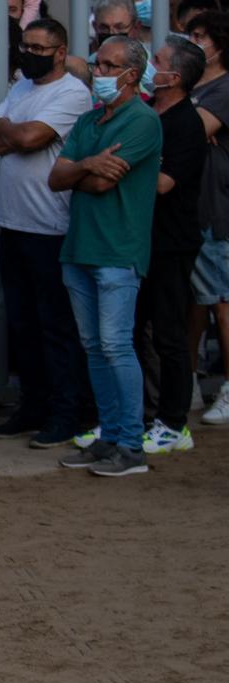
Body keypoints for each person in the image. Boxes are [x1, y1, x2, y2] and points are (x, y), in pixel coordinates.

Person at [48, 36, 163, 477]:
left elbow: (97, 183)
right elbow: (58, 178)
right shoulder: (89, 120)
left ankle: (131, 445)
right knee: (97, 347)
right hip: (80, 247)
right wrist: (88, 165)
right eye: (98, 65)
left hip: (118, 250)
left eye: (111, 66)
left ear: (133, 75)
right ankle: (111, 436)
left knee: (115, 346)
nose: (100, 73)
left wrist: (83, 169)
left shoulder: (142, 121)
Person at [0, 18, 94, 446]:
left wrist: (9, 130)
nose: (28, 53)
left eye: (38, 47)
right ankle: (33, 406)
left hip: (52, 227)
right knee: (22, 323)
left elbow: (26, 137)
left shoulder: (72, 94)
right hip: (12, 223)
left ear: (61, 52)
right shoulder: (22, 88)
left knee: (56, 326)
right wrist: (14, 134)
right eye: (25, 45)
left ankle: (67, 413)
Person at [139, 37, 204, 454]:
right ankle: (139, 417)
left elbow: (164, 183)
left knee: (168, 334)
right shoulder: (148, 113)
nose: (149, 64)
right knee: (131, 333)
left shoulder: (185, 123)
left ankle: (174, 422)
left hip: (171, 244)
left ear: (174, 77)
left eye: (156, 61)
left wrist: (119, 165)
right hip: (140, 240)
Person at [187, 11, 229, 426]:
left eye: (201, 36)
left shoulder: (225, 87)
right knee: (194, 302)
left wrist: (187, 125)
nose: (193, 41)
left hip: (217, 209)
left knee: (221, 301)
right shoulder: (191, 86)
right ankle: (189, 384)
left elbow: (192, 129)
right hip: (189, 208)